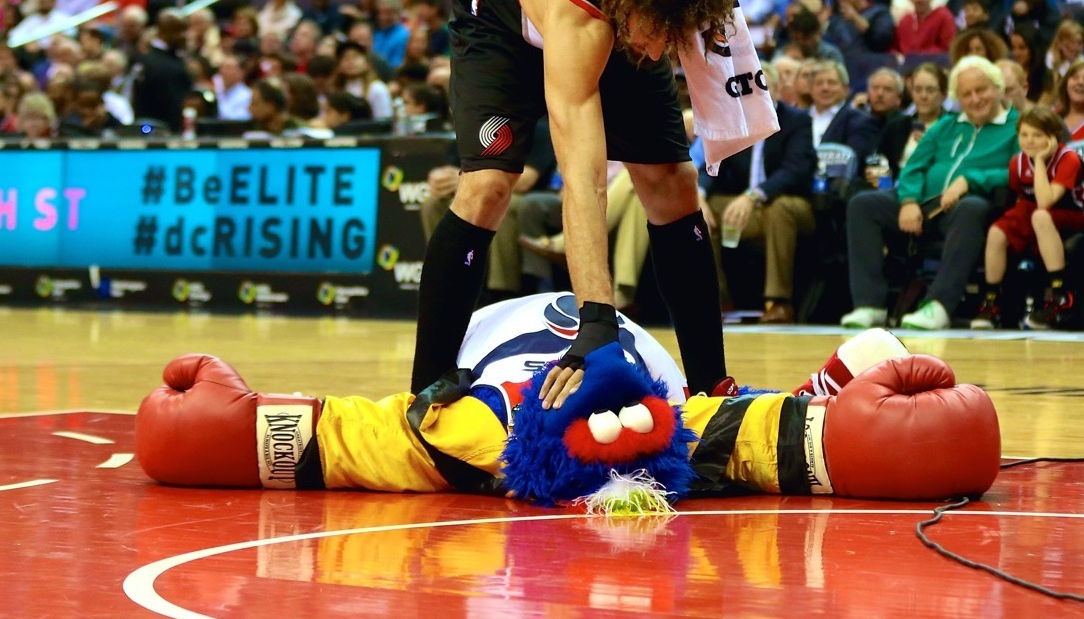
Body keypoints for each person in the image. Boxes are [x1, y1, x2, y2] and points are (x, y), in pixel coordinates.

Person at [411, 0, 777, 403]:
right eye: (656, 40)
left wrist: (671, 34)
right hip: (500, 13)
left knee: (673, 183)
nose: (657, 56)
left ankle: (710, 384)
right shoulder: (578, 11)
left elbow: (695, 20)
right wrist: (597, 321)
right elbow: (583, 176)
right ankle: (429, 377)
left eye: (669, 45)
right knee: (487, 185)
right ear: (623, 1)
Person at [136, 313, 1002, 505]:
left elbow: (331, 436)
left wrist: (217, 429)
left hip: (642, 378)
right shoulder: (476, 425)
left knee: (866, 359)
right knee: (870, 357)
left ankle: (824, 391)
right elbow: (338, 437)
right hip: (631, 383)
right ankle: (825, 391)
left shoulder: (472, 430)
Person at [840, 55, 1019, 330]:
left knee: (971, 208)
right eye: (966, 94)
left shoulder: (1015, 127)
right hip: (924, 203)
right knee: (864, 204)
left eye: (981, 90)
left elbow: (1019, 170)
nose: (975, 99)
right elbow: (914, 166)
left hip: (968, 208)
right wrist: (909, 201)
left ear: (998, 88)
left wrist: (971, 179)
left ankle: (939, 305)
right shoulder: (947, 125)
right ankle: (870, 305)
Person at [971, 106, 1084, 330]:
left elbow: (1046, 201)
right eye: (1024, 135)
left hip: (1076, 216)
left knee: (1040, 215)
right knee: (997, 231)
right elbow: (1021, 200)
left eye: (1037, 135)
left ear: (1052, 137)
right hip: (1036, 214)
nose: (1029, 141)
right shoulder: (1016, 163)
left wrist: (1039, 162)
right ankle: (991, 303)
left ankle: (1061, 295)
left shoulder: (1069, 159)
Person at [700, 100, 816, 324]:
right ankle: (717, 301)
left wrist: (753, 195)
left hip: (792, 204)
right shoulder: (735, 118)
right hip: (748, 208)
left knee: (779, 208)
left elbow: (795, 171)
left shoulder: (796, 120)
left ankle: (778, 303)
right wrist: (700, 194)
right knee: (701, 211)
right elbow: (714, 161)